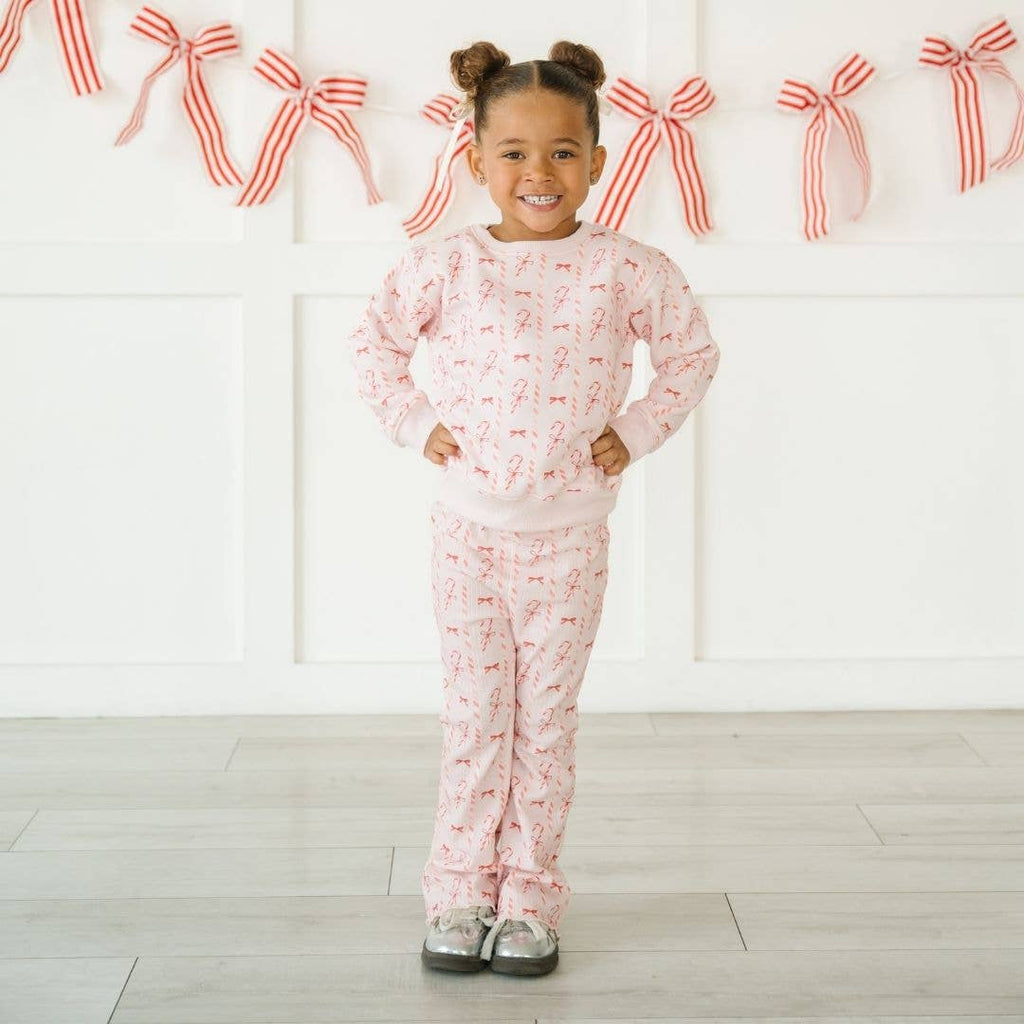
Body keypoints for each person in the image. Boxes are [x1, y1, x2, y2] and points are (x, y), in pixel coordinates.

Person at [348, 38, 721, 977]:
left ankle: (528, 900)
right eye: (513, 152)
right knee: (477, 717)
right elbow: (373, 344)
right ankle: (460, 893)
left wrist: (633, 433)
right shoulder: (446, 265)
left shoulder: (627, 268)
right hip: (466, 535)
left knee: (545, 722)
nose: (538, 172)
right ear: (475, 160)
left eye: (562, 151)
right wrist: (414, 419)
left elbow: (690, 354)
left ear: (597, 162)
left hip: (568, 542)